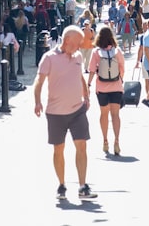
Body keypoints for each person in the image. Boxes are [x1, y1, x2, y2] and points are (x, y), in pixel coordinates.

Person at [34, 25, 97, 201]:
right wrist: (37, 101)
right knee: (58, 149)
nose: (80, 47)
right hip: (55, 112)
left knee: (82, 145)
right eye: (78, 43)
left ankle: (83, 186)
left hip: (77, 110)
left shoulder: (77, 57)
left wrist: (86, 94)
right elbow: (39, 81)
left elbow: (80, 77)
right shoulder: (49, 58)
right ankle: (61, 185)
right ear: (67, 40)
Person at [86, 26, 124, 156]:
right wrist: (120, 80)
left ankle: (105, 140)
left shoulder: (96, 52)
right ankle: (117, 141)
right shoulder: (117, 51)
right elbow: (122, 67)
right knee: (115, 115)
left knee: (104, 114)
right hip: (116, 86)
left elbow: (92, 69)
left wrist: (88, 84)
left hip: (101, 87)